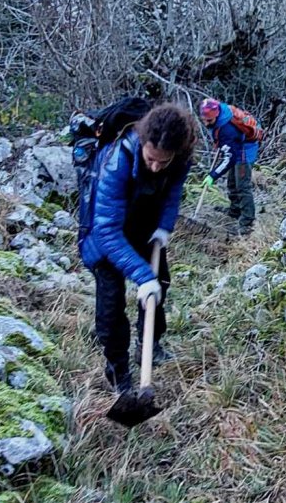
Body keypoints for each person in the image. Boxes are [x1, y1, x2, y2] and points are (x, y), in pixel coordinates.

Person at [78, 102, 195, 402]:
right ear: (142, 142)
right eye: (151, 159)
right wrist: (142, 276)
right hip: (104, 236)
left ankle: (149, 345)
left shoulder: (179, 159)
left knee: (159, 289)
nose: (155, 166)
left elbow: (172, 193)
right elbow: (106, 231)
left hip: (145, 227)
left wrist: (164, 228)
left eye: (163, 161)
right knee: (111, 307)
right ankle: (119, 373)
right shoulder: (117, 162)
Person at [198, 97, 261, 235]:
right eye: (204, 120)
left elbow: (230, 159)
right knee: (232, 183)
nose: (206, 123)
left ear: (216, 115)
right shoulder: (217, 112)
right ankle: (235, 210)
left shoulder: (227, 129)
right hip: (235, 146)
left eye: (209, 121)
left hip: (245, 150)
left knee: (242, 186)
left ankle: (247, 222)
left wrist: (212, 175)